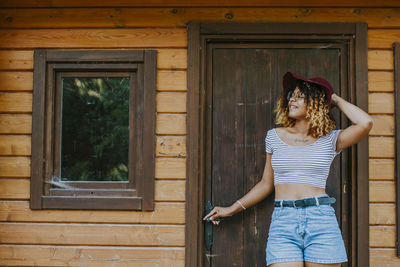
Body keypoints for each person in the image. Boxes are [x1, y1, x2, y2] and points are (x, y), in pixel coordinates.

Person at [203, 71, 373, 267]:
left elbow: (365, 123)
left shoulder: (331, 139)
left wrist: (332, 97)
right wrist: (231, 209)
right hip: (284, 221)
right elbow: (266, 184)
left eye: (300, 96)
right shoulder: (274, 136)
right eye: (292, 95)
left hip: (320, 220)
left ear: (316, 102)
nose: (292, 99)